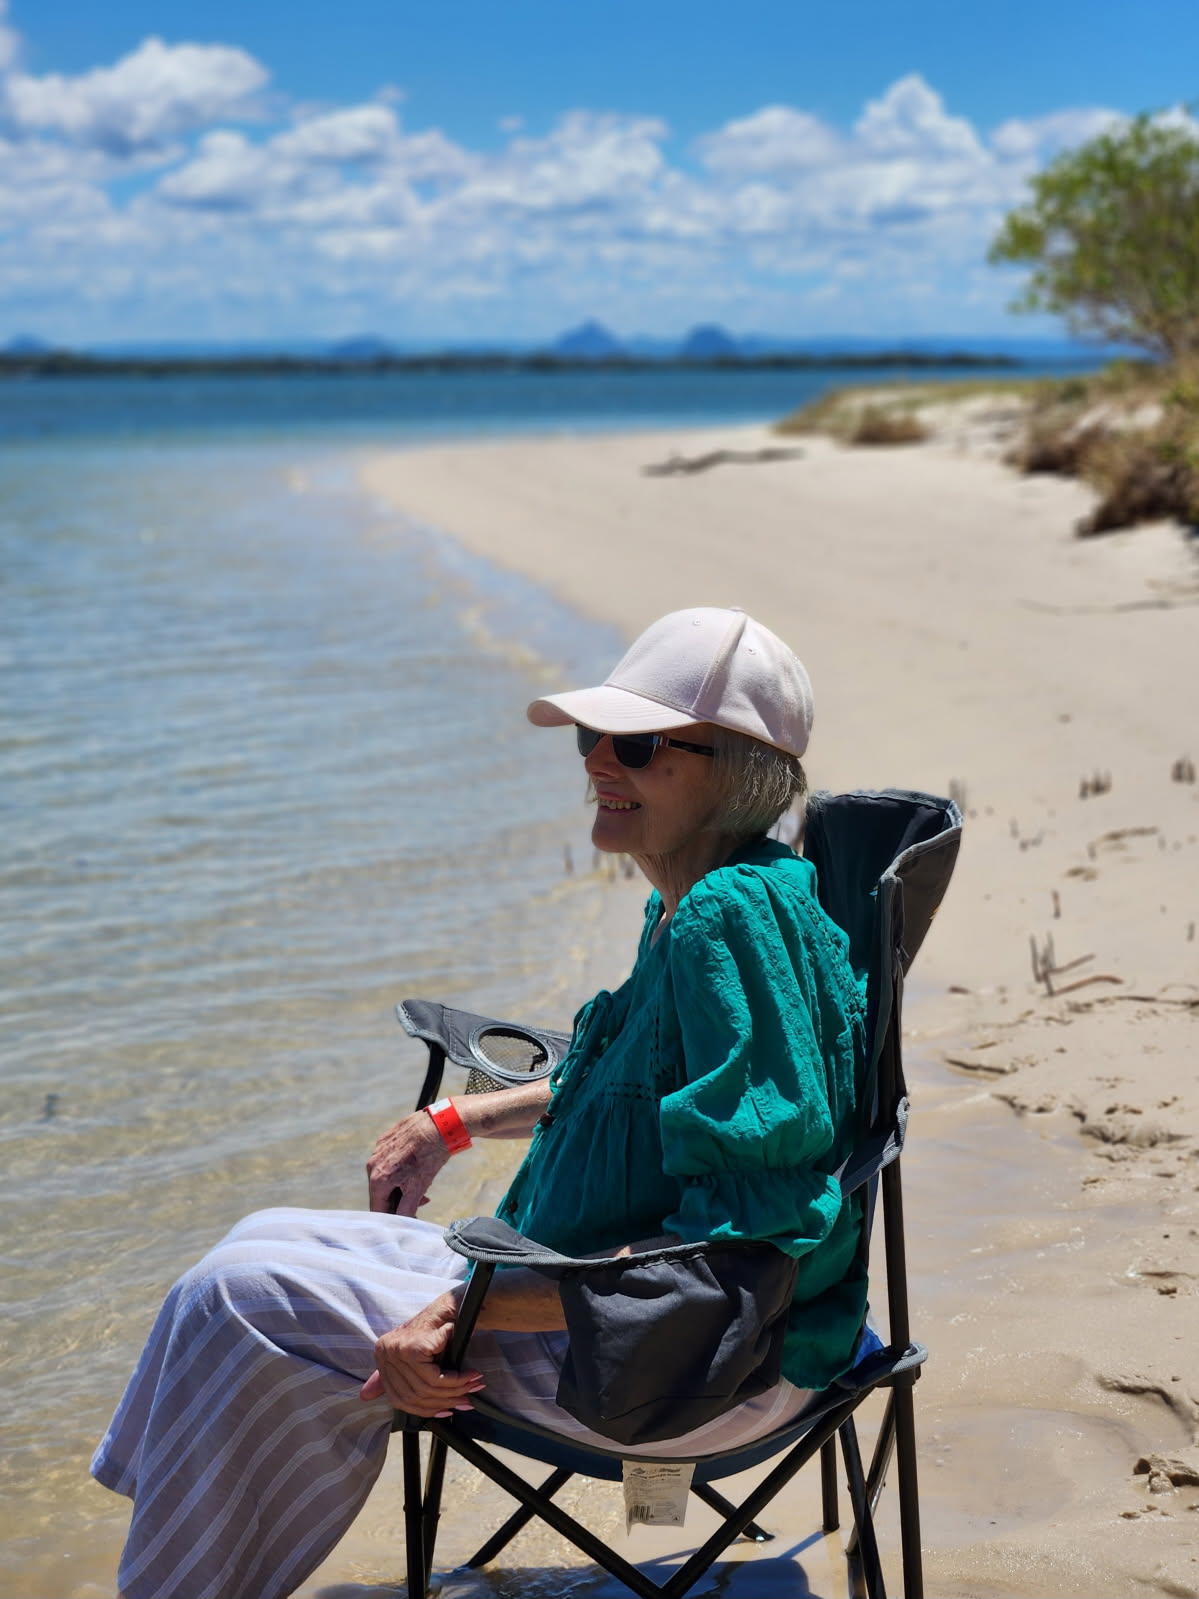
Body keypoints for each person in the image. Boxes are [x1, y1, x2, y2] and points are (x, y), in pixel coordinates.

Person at [92, 605, 869, 1599]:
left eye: (635, 746)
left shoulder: (723, 918)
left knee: (237, 1300)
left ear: (736, 773)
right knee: (255, 1239)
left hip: (689, 1367)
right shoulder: (718, 894)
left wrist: (464, 1310)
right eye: (592, 739)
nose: (597, 763)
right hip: (610, 1299)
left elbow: (738, 1249)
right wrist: (454, 1121)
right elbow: (635, 1089)